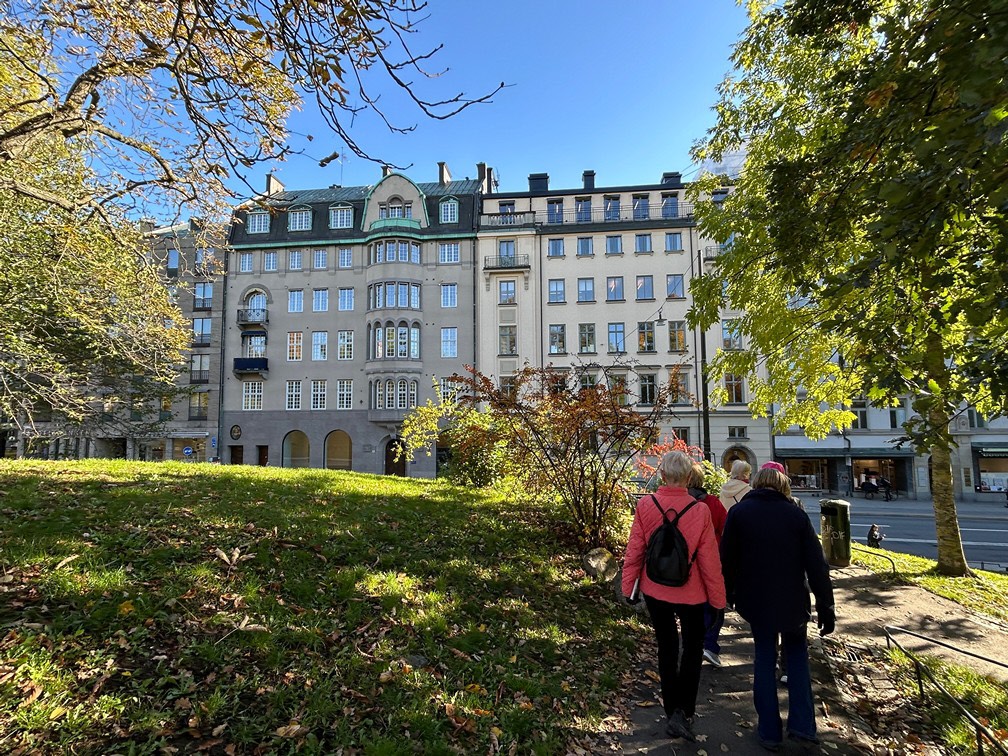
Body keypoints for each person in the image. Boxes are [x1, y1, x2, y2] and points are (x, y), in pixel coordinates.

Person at [720, 462, 835, 752]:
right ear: (784, 486)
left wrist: (727, 595)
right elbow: (817, 565)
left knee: (764, 658)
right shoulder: (795, 515)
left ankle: (769, 731)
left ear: (756, 483)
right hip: (793, 601)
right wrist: (826, 605)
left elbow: (727, 560)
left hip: (756, 601)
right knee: (797, 658)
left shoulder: (740, 513)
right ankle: (803, 727)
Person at [622, 451, 727, 742]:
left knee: (666, 647)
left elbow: (635, 549)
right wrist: (718, 601)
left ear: (662, 475)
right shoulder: (700, 510)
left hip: (655, 589)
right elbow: (709, 561)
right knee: (692, 649)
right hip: (692, 593)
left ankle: (671, 710)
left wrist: (629, 587)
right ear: (689, 477)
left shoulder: (646, 504)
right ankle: (685, 710)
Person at [687, 463, 729, 668]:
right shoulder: (712, 502)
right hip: (712, 561)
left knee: (691, 605)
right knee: (714, 604)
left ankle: (694, 644)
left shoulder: (679, 502)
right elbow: (726, 530)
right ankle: (710, 645)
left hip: (685, 563)